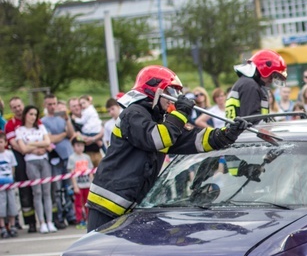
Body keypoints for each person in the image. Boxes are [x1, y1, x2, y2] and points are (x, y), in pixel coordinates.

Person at [86, 65, 248, 232]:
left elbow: (192, 139)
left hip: (132, 205)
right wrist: (180, 114)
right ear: (155, 91)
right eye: (170, 92)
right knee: (97, 255)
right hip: (107, 204)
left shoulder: (161, 121)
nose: (173, 98)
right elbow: (157, 139)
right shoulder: (133, 114)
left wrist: (225, 134)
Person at [15, 105, 56, 233]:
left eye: (35, 114)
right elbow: (23, 149)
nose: (33, 117)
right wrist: (37, 147)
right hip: (31, 162)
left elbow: (47, 142)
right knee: (37, 192)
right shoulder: (20, 130)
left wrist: (31, 144)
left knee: (47, 192)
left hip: (43, 161)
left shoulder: (41, 127)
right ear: (25, 115)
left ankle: (50, 221)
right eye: (30, 114)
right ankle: (42, 222)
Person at [42, 94, 75, 229]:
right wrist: (63, 134)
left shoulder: (62, 119)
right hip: (55, 158)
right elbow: (50, 139)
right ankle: (59, 217)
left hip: (68, 155)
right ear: (45, 105)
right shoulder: (43, 121)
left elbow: (71, 133)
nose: (52, 106)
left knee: (69, 188)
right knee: (57, 189)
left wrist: (67, 121)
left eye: (54, 103)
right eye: (49, 104)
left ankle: (71, 215)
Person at [226, 49, 287, 122]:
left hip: (240, 133)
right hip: (248, 133)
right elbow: (252, 123)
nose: (271, 80)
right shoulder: (250, 86)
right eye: (272, 75)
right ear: (264, 68)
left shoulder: (247, 83)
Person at [5, 97, 36, 231]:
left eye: (19, 106)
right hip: (20, 158)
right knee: (25, 190)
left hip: (35, 156)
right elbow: (13, 143)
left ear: (23, 105)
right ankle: (30, 222)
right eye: (14, 107)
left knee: (39, 189)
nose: (18, 109)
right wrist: (26, 150)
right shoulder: (10, 124)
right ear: (11, 109)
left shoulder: (31, 118)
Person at [69, 97, 104, 167]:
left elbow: (102, 130)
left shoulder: (88, 114)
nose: (77, 108)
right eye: (74, 106)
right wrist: (95, 139)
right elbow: (77, 136)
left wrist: (93, 139)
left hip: (97, 152)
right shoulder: (71, 121)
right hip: (84, 154)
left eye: (78, 105)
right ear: (70, 108)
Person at [68, 136, 93, 230]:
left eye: (82, 145)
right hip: (79, 185)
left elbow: (90, 171)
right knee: (78, 203)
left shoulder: (87, 157)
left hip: (87, 184)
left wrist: (92, 183)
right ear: (73, 146)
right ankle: (79, 220)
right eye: (78, 145)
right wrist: (75, 186)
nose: (80, 147)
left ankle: (88, 219)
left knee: (88, 203)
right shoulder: (72, 158)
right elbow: (72, 173)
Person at [0, 132, 18, 238]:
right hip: (0, 185)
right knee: (1, 206)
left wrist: (12, 177)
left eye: (1, 142)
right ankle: (2, 226)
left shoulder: (9, 154)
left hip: (9, 183)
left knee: (12, 205)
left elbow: (13, 167)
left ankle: (12, 225)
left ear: (5, 142)